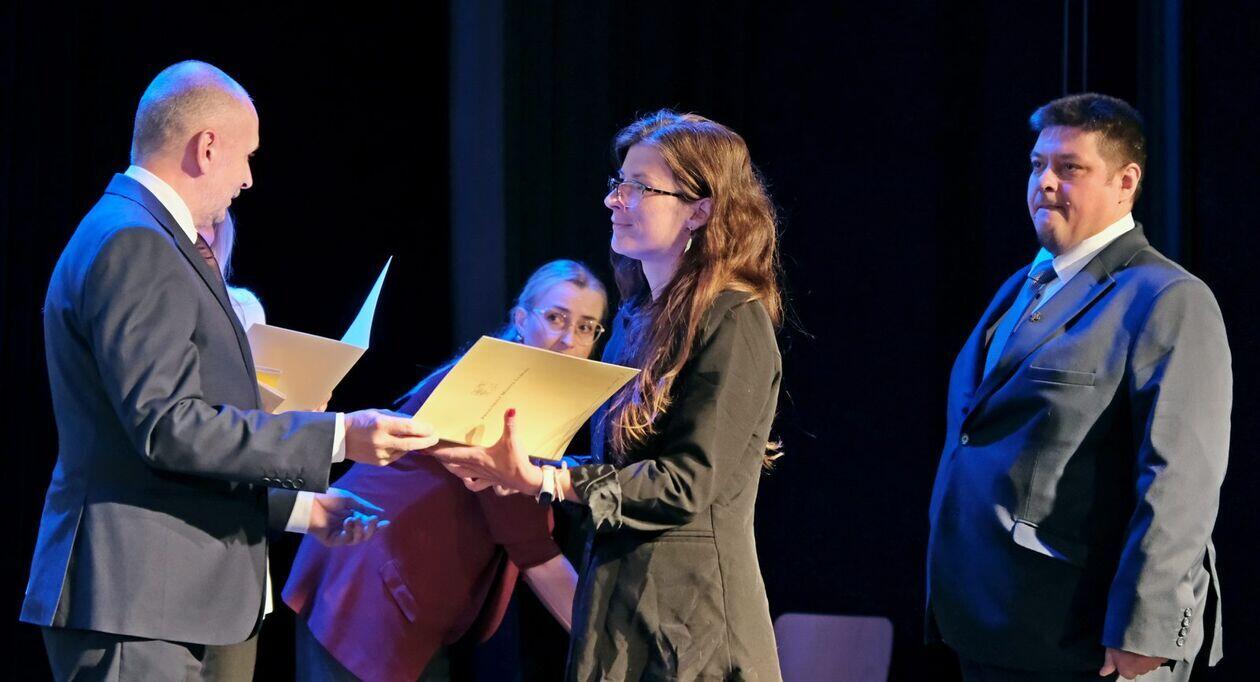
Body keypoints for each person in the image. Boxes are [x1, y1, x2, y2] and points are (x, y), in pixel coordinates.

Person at [21, 60, 436, 680]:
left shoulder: (145, 234)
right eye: (247, 156)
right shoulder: (137, 241)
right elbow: (168, 427)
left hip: (169, 600)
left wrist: (303, 508)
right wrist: (339, 436)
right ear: (207, 146)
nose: (247, 179)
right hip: (138, 600)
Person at [433, 110, 786, 681]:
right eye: (618, 183)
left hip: (692, 621)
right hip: (617, 604)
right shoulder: (633, 319)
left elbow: (685, 483)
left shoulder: (735, 319)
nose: (613, 200)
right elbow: (615, 469)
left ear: (700, 210)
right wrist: (523, 467)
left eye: (639, 187)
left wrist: (547, 480)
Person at [925, 93, 1230, 681]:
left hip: (1090, 639)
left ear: (1125, 182)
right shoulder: (1024, 284)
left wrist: (1147, 627)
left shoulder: (1167, 298)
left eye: (1070, 167)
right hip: (995, 623)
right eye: (1038, 164)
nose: (1045, 182)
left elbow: (1181, 477)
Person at [283, 259, 604, 682]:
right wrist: (612, 649)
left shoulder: (528, 395)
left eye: (585, 327)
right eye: (556, 318)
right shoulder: (497, 398)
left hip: (394, 589)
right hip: (365, 586)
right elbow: (535, 553)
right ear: (521, 320)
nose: (568, 339)